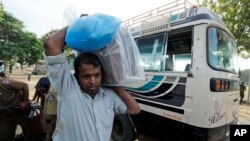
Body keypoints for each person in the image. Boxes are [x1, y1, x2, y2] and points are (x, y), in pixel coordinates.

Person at [44, 27, 140, 141]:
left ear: (102, 75)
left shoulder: (109, 95)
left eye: (97, 75)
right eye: (86, 76)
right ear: (76, 77)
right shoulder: (68, 90)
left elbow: (134, 110)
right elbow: (50, 45)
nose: (93, 81)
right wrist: (76, 25)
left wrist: (116, 84)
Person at [0, 77, 34, 141]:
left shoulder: (4, 82)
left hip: (20, 111)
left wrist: (25, 101)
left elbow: (24, 85)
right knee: (4, 135)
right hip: (7, 114)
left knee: (29, 133)